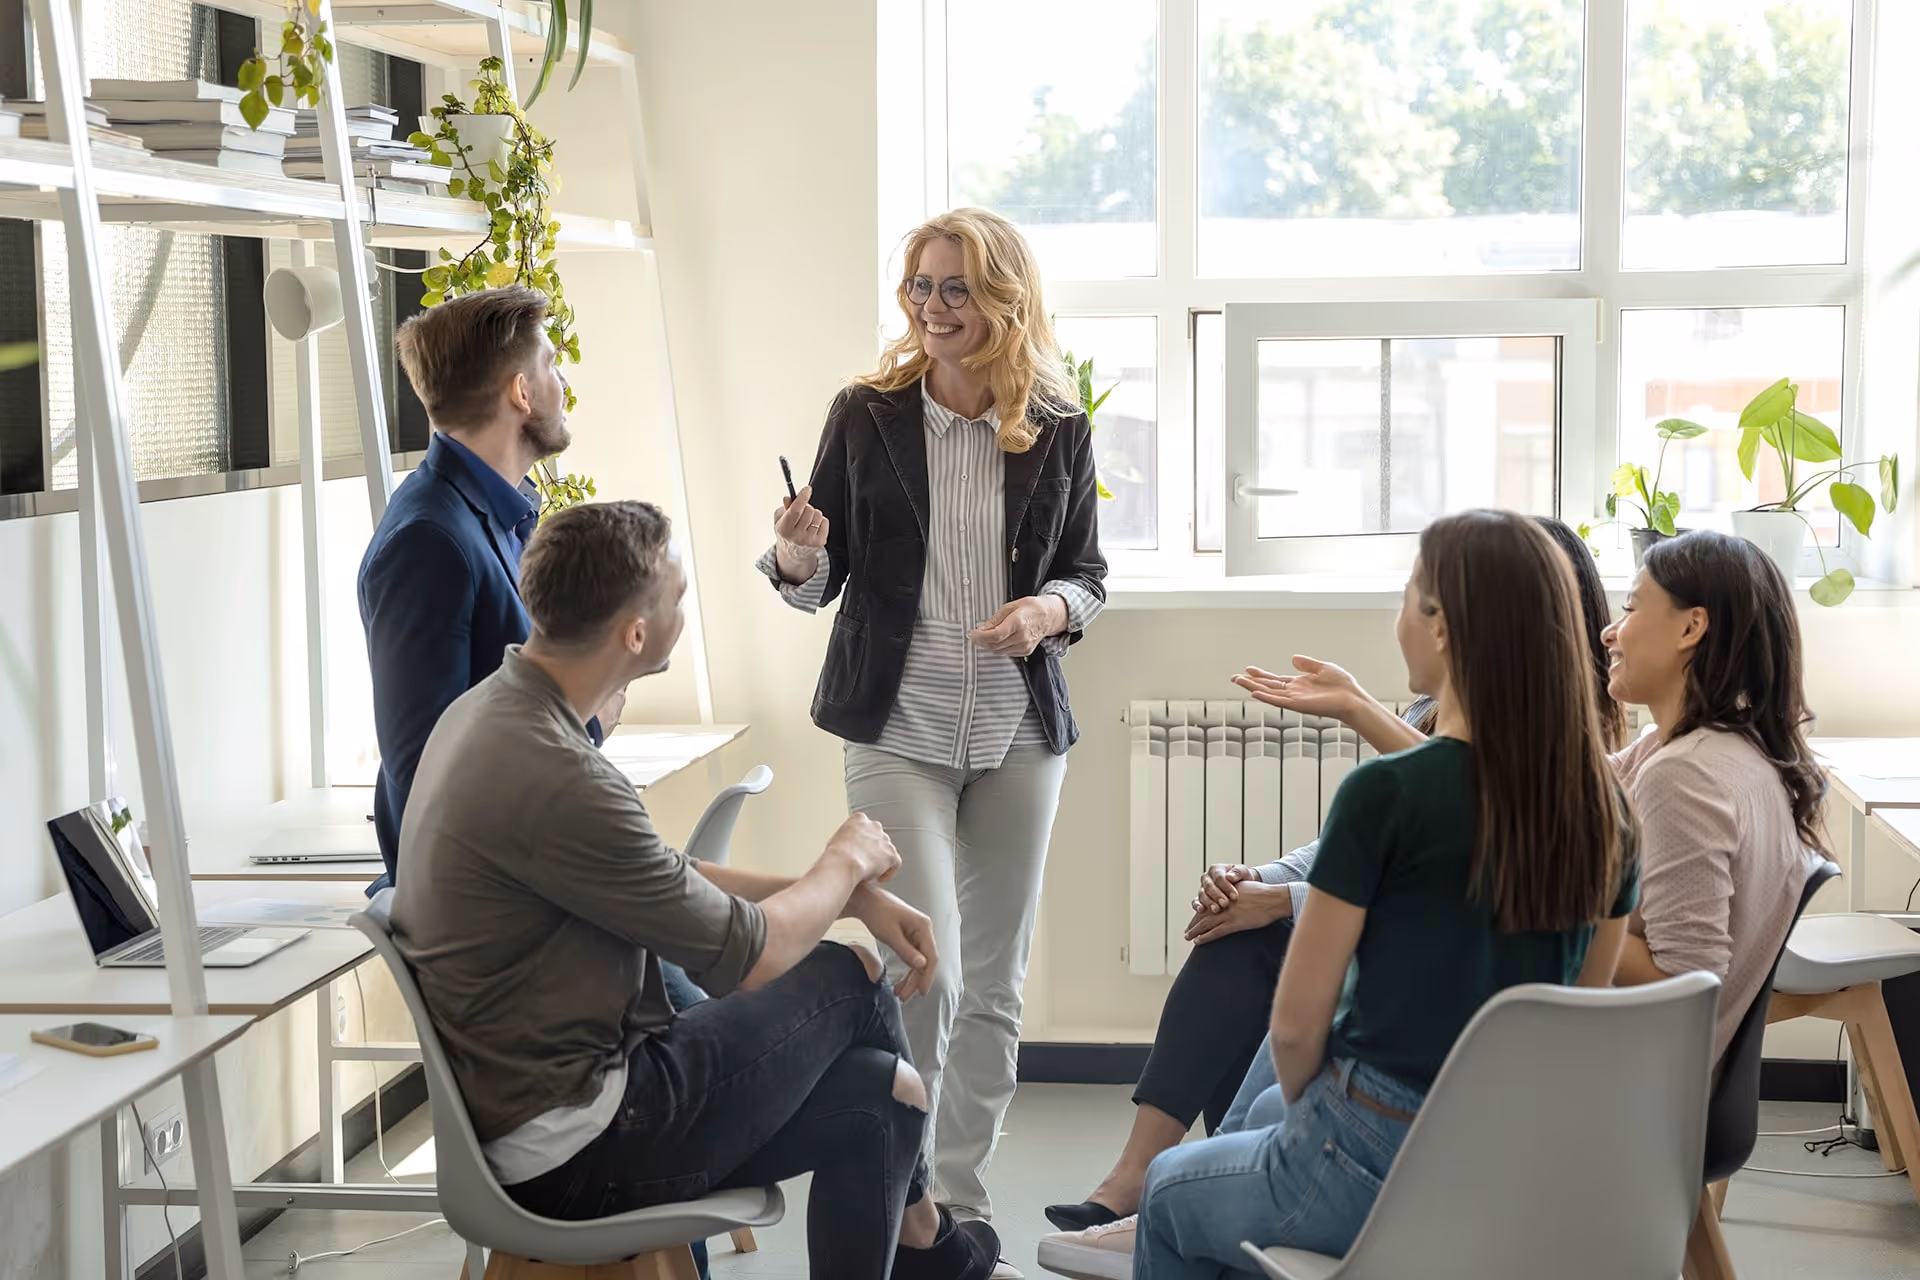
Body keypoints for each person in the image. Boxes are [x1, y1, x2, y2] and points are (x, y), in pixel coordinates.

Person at [391, 501, 1001, 1280]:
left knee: (883, 1095)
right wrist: (843, 863)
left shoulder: (490, 714)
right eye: (678, 598)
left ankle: (929, 1247)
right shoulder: (558, 772)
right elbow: (755, 956)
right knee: (852, 974)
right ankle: (933, 1245)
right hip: (578, 1149)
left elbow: (668, 878)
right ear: (634, 635)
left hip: (540, 1120)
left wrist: (847, 895)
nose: (686, 610)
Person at [1039, 510, 1640, 1278]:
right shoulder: (1607, 809)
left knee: (1169, 1188)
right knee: (1258, 1120)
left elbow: (1295, 1032)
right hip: (1509, 1160)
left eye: (1407, 595)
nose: (1399, 617)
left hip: (1372, 1147)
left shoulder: (1389, 792)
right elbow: (1579, 1020)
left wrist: (1322, 1130)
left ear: (1444, 628)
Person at [758, 207, 1107, 1236]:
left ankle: (961, 1204)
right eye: (920, 285)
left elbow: (1088, 574)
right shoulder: (866, 413)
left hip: (1018, 734)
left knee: (996, 983)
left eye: (956, 288)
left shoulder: (1057, 421)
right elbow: (816, 578)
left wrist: (1046, 612)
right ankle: (904, 1203)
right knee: (928, 971)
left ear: (1004, 298)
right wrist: (796, 552)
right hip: (896, 727)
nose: (934, 307)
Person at [1601, 531, 1829, 1054]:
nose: (1609, 632)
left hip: (1637, 1074)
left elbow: (1685, 984)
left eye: (1630, 609)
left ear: (1691, 627)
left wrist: (1553, 915)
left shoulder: (1684, 775)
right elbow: (1568, 785)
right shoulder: (1714, 746)